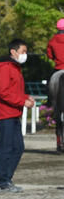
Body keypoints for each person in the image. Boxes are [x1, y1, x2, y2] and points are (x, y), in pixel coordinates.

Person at [0, 38, 35, 192]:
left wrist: (25, 98)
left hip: (13, 113)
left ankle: (6, 180)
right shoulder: (5, 68)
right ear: (13, 52)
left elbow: (13, 91)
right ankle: (2, 183)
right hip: (5, 114)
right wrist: (22, 102)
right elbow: (2, 92)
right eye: (23, 51)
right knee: (7, 148)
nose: (25, 54)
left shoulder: (15, 67)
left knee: (18, 147)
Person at [46, 17, 64, 152]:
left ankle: (49, 100)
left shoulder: (52, 40)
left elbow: (49, 55)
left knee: (50, 82)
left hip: (58, 68)